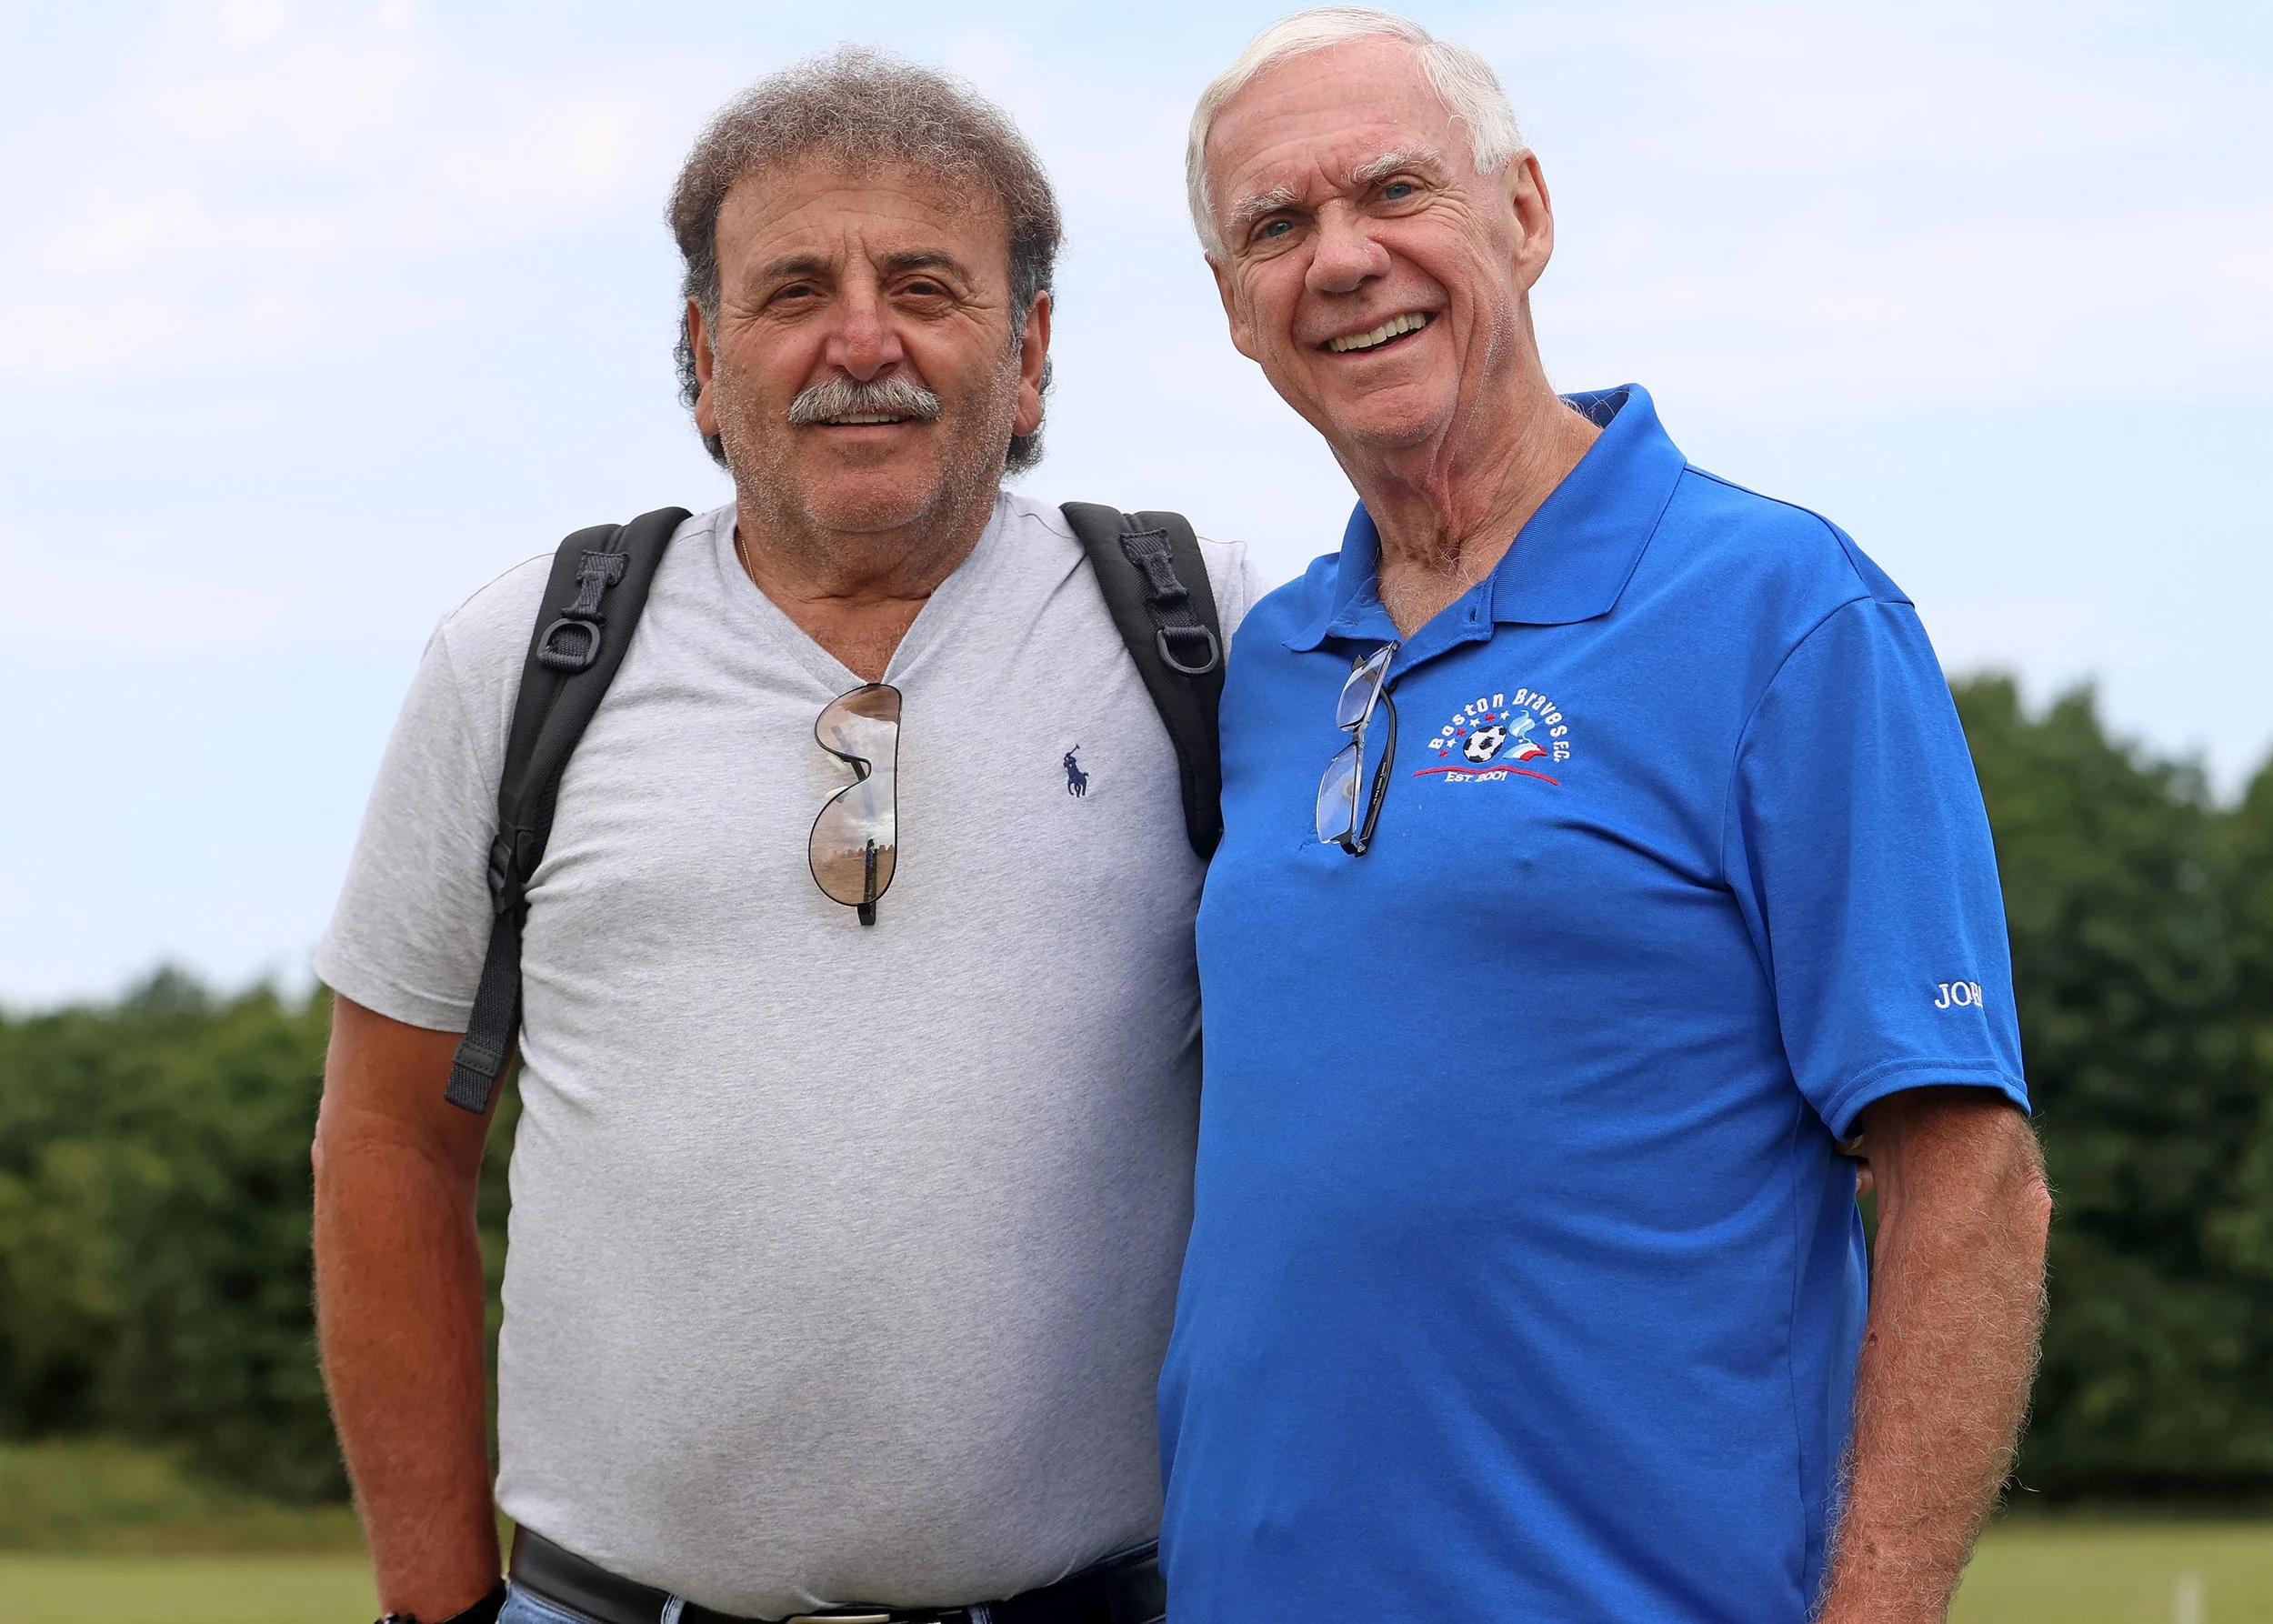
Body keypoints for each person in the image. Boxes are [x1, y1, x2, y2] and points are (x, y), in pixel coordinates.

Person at [312, 49, 1259, 1624]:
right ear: (703, 356)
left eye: (926, 286)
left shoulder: (1203, 635)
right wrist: (439, 1608)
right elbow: (390, 1143)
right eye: (794, 289)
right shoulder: (524, 659)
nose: (861, 341)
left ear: (1029, 353)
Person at [1157, 10, 2052, 1621]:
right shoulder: (1276, 661)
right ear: (1234, 308)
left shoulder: (1783, 610)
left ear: (1525, 214)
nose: (1344, 259)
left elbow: (1969, 1179)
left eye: (1395, 190)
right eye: (1276, 227)